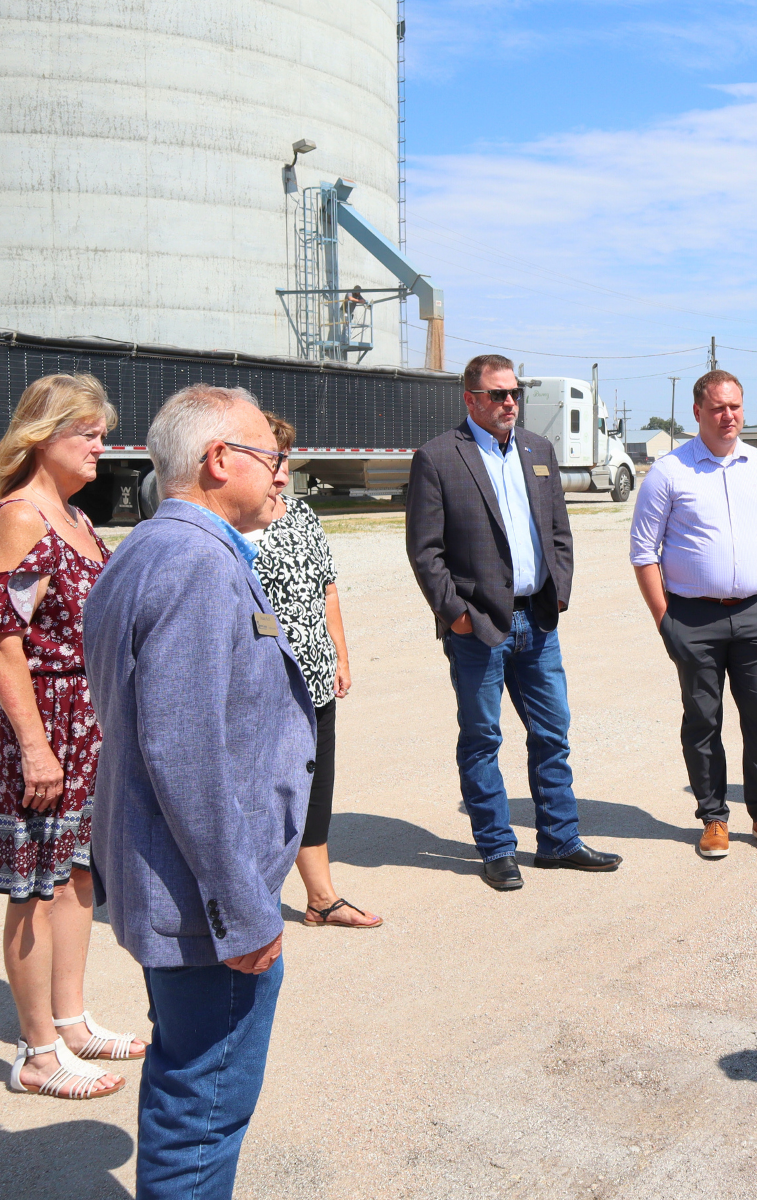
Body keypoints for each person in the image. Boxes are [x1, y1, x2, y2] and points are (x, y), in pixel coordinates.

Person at [85, 384, 315, 1199]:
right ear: (220, 460)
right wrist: (243, 912)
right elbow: (185, 753)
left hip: (178, 882)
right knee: (205, 1107)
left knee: (189, 1080)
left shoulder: (151, 549)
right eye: (272, 457)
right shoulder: (193, 565)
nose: (284, 475)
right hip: (205, 900)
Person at [0, 372, 145, 1100]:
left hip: (86, 722)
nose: (101, 445)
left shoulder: (75, 516)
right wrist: (35, 745)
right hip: (42, 721)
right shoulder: (21, 517)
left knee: (78, 874)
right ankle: (35, 1053)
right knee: (32, 884)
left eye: (102, 432)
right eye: (87, 433)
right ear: (42, 436)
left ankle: (71, 1020)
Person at [405, 353, 622, 890]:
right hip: (479, 627)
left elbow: (559, 531)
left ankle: (559, 840)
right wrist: (455, 615)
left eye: (514, 394)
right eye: (498, 394)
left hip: (538, 621)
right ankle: (497, 848)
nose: (509, 403)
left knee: (553, 733)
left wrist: (560, 591)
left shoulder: (537, 450)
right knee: (482, 738)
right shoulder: (438, 458)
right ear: (471, 398)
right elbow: (424, 551)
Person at [629, 369, 757, 859]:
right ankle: (713, 818)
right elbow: (644, 552)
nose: (728, 417)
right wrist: (666, 619)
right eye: (718, 408)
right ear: (698, 413)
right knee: (703, 719)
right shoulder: (669, 472)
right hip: (693, 618)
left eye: (735, 407)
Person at [247, 415, 378, 928]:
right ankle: (249, 903)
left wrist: (340, 657)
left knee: (314, 787)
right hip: (264, 684)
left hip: (315, 675)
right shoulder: (231, 524)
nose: (280, 474)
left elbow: (326, 588)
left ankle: (321, 898)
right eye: (271, 462)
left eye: (284, 461)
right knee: (262, 794)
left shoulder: (301, 514)